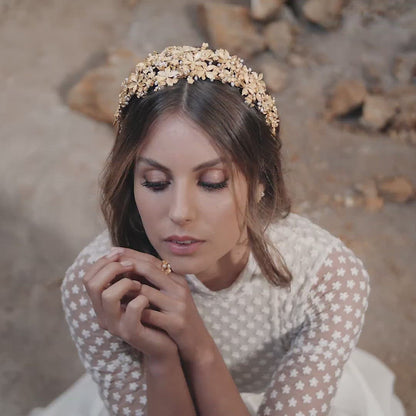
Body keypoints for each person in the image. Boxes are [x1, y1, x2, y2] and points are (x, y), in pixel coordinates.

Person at [30, 44, 405, 416]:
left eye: (212, 182)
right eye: (156, 182)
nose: (179, 213)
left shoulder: (329, 280)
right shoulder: (98, 285)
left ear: (261, 181)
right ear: (130, 181)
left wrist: (198, 345)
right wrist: (159, 356)